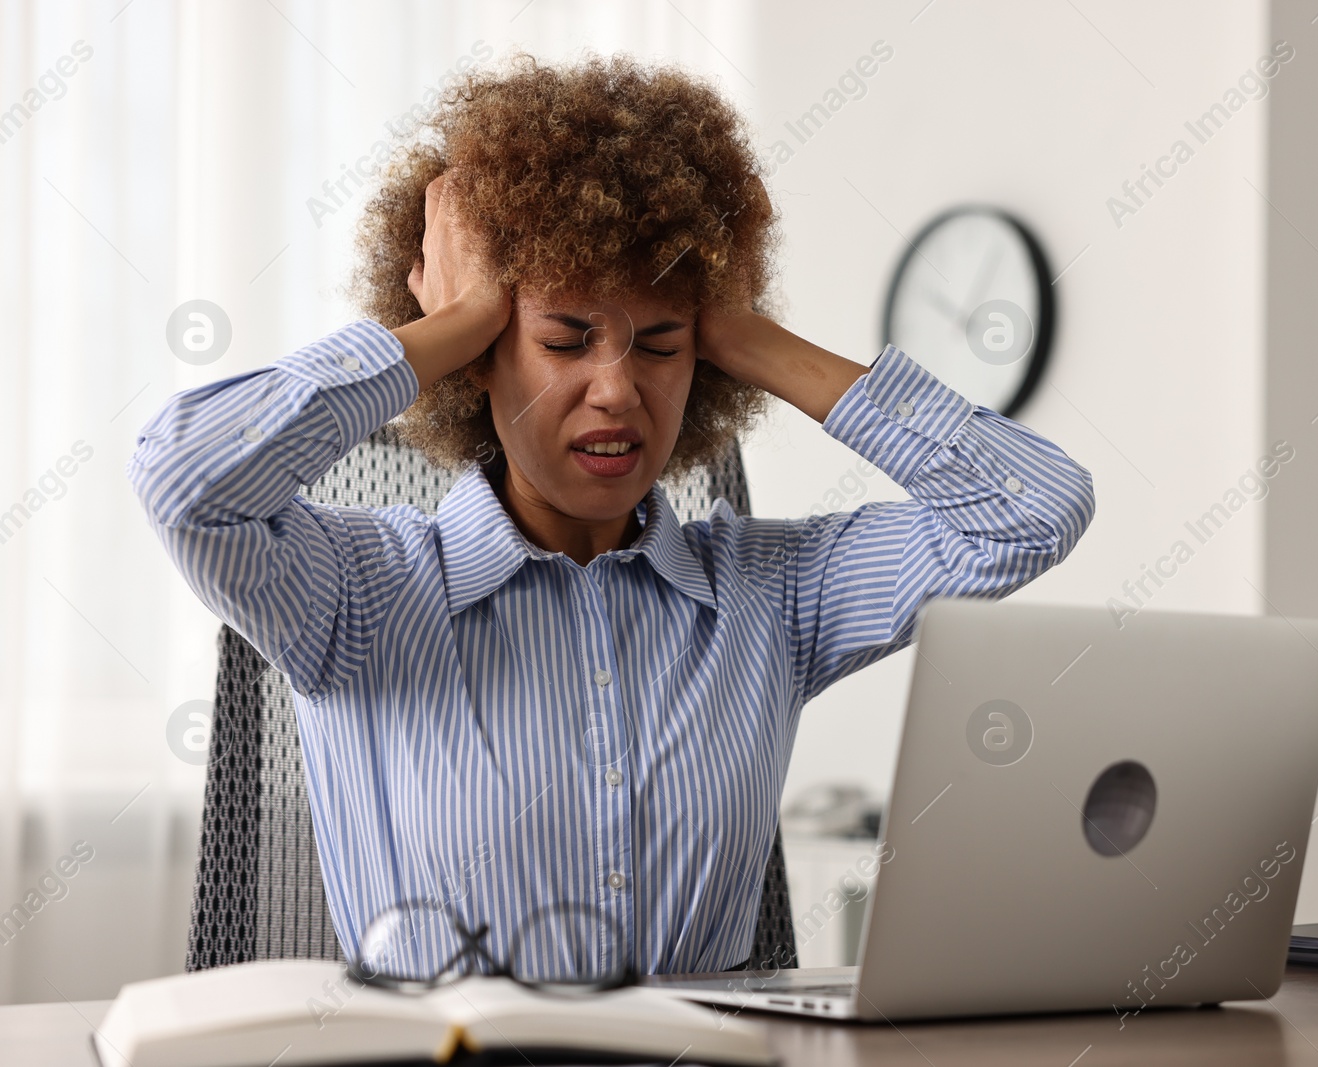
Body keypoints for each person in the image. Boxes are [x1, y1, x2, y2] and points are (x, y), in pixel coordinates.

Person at [128, 52, 1095, 980]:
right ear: (485, 355)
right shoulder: (355, 593)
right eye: (564, 338)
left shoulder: (773, 594)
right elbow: (184, 477)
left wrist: (744, 333)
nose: (617, 390)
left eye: (661, 344)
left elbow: (1032, 511)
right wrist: (446, 329)